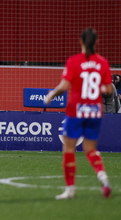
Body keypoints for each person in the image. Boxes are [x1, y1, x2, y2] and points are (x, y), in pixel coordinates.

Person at [44, 28, 112, 199]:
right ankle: (102, 176)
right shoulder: (102, 62)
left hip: (76, 110)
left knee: (69, 148)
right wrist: (97, 88)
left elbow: (64, 86)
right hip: (95, 111)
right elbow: (109, 90)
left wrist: (52, 94)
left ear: (80, 42)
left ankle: (70, 190)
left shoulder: (74, 61)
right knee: (90, 149)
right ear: (96, 43)